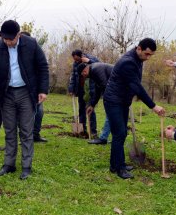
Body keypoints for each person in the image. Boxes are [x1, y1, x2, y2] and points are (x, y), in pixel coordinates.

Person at [0, 20, 49, 180]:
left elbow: (42, 66)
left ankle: (27, 166)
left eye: (11, 39)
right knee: (9, 130)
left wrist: (43, 89)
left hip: (26, 93)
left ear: (19, 35)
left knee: (26, 131)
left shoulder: (31, 44)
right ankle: (9, 164)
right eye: (5, 39)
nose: (8, 42)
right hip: (6, 94)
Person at [104, 38, 165, 179]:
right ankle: (119, 169)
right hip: (113, 101)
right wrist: (153, 106)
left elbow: (134, 83)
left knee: (122, 133)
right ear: (138, 49)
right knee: (119, 133)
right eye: (147, 54)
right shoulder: (128, 62)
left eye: (151, 55)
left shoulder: (138, 59)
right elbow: (137, 86)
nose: (148, 58)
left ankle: (116, 164)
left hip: (122, 101)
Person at [77, 62, 113, 145]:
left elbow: (105, 86)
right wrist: (92, 105)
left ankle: (103, 138)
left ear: (84, 70)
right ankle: (113, 138)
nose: (83, 76)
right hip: (115, 90)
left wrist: (108, 101)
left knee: (111, 113)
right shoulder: (93, 72)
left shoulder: (96, 69)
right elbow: (98, 89)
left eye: (82, 74)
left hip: (119, 88)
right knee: (113, 115)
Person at [20, 31, 47, 143]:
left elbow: (42, 70)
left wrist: (42, 90)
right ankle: (23, 136)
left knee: (39, 112)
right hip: (21, 90)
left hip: (35, 90)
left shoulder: (35, 52)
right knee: (22, 114)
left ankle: (35, 134)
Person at [68, 50, 99, 138]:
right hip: (80, 89)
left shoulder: (91, 59)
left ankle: (93, 132)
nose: (76, 61)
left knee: (90, 110)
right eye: (75, 60)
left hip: (89, 89)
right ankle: (82, 130)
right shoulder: (75, 63)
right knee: (81, 110)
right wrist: (71, 88)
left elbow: (99, 65)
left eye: (77, 59)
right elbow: (73, 76)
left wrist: (89, 61)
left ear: (81, 55)